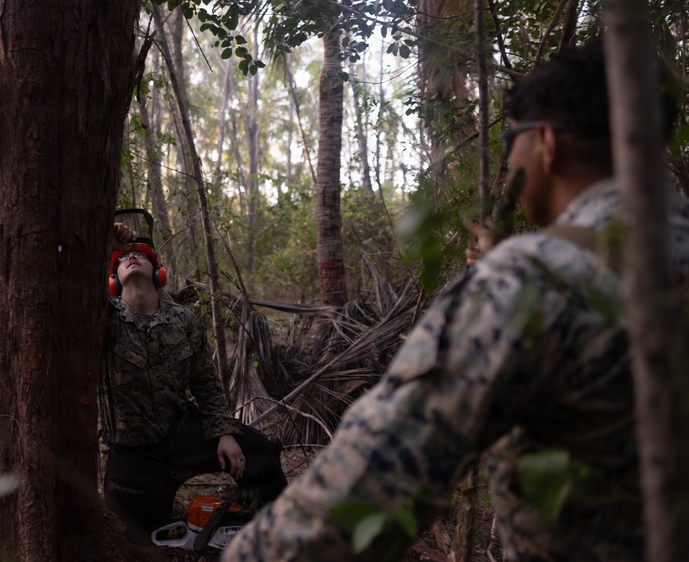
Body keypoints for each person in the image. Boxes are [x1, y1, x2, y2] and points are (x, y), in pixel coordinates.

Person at [224, 42, 689, 561]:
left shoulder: (531, 280)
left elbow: (379, 473)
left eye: (514, 138)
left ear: (547, 143)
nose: (510, 157)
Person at [101, 222, 288, 541]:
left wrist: (225, 432)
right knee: (142, 539)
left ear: (158, 271)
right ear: (112, 279)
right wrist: (106, 245)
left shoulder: (183, 320)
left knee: (262, 452)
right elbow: (75, 287)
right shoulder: (105, 318)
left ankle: (279, 532)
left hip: (181, 434)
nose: (131, 259)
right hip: (131, 452)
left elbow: (206, 384)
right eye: (122, 259)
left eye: (140, 255)